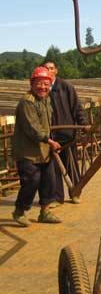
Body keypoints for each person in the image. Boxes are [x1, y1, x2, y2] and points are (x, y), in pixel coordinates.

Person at [12, 67, 62, 226]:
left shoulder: (46, 99)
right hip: (28, 152)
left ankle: (45, 212)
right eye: (39, 83)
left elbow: (47, 123)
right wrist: (50, 141)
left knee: (49, 180)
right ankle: (19, 211)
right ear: (31, 84)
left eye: (46, 84)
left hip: (44, 151)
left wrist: (52, 141)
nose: (43, 87)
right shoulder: (27, 102)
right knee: (31, 181)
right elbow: (33, 128)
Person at [42, 60, 89, 204]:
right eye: (45, 68)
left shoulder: (65, 87)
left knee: (71, 165)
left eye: (51, 68)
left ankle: (75, 192)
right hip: (50, 137)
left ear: (56, 70)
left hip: (66, 134)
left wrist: (84, 125)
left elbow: (77, 108)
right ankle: (56, 198)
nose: (48, 71)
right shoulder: (41, 89)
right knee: (52, 169)